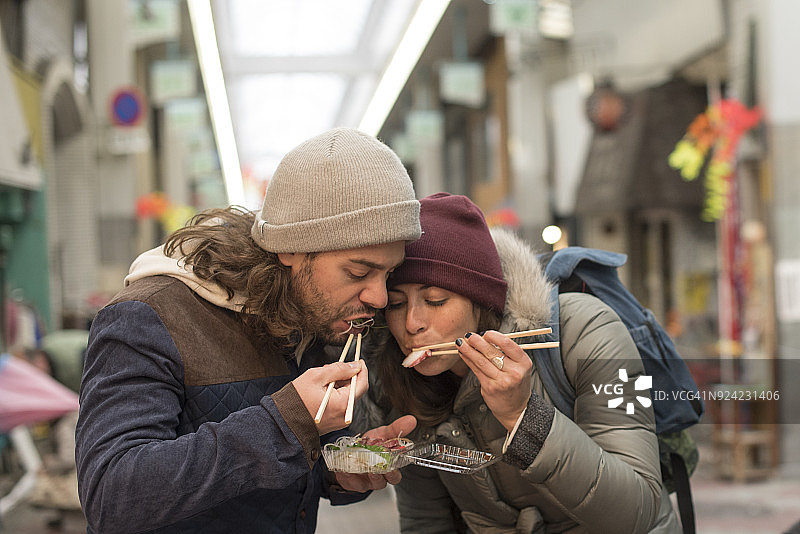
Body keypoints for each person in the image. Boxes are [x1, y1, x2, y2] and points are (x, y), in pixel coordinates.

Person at [75, 127, 420, 534]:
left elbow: (265, 484)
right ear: (290, 249)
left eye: (388, 273)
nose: (379, 297)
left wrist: (336, 472)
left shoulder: (305, 318)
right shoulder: (148, 317)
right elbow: (111, 495)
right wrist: (287, 423)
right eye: (359, 271)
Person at [354, 192, 681, 533]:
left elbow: (637, 511)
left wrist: (523, 417)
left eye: (435, 300)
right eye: (395, 304)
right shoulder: (401, 381)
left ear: (480, 300)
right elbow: (427, 522)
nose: (412, 324)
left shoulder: (586, 330)